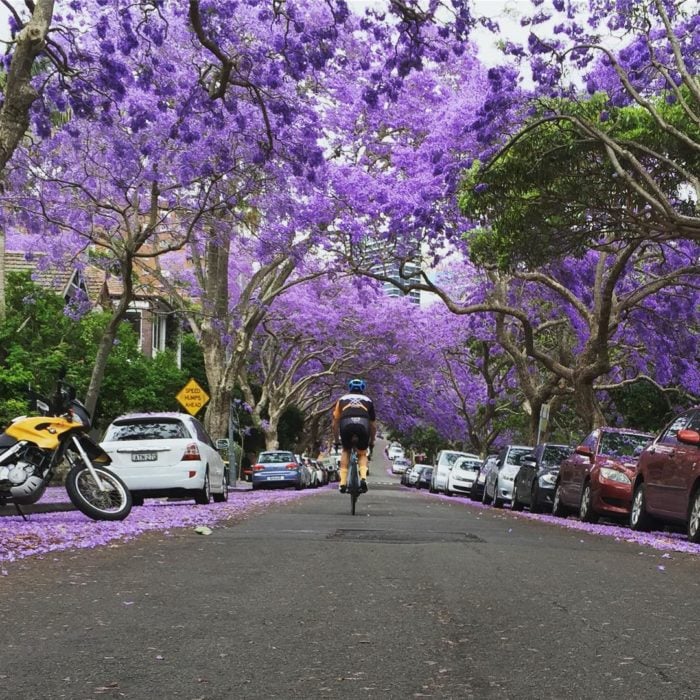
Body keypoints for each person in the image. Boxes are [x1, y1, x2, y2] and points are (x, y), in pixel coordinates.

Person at [332, 378, 376, 494]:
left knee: (346, 450)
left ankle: (342, 483)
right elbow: (373, 426)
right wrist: (371, 442)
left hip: (346, 424)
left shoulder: (341, 399)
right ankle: (363, 479)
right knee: (362, 453)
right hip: (363, 425)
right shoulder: (368, 400)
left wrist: (336, 440)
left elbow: (335, 422)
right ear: (363, 389)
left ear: (349, 388)